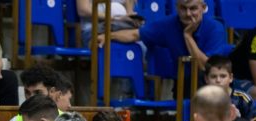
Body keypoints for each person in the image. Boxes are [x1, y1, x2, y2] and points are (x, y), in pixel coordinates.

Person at [98, 0, 232, 88]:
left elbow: (207, 68)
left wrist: (188, 36)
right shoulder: (169, 24)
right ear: (176, 7)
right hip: (183, 85)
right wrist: (109, 36)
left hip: (213, 86)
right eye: (183, 8)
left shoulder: (215, 28)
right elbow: (135, 34)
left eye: (193, 9)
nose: (188, 13)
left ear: (203, 8)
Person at [204, 55, 256, 121]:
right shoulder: (203, 100)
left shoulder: (243, 98)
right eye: (213, 76)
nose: (218, 80)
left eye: (223, 76)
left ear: (231, 78)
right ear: (206, 79)